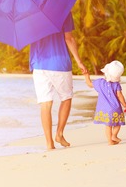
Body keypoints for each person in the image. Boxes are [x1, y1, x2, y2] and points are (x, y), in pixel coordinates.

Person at [30, 12, 87, 150]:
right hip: (59, 63)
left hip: (39, 65)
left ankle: (49, 143)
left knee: (45, 104)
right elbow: (69, 39)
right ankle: (59, 134)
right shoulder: (64, 11)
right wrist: (79, 61)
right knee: (66, 98)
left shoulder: (32, 14)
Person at [84, 60, 126, 145]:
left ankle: (110, 141)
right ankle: (114, 136)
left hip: (105, 109)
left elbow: (89, 84)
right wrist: (125, 105)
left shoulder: (99, 82)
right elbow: (120, 95)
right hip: (116, 108)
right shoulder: (116, 84)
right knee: (117, 124)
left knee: (108, 126)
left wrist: (86, 75)